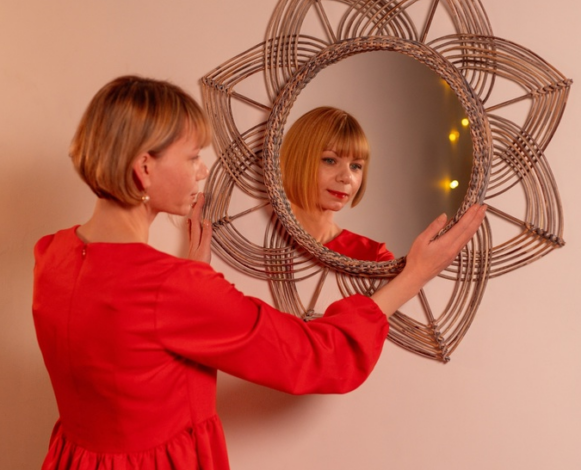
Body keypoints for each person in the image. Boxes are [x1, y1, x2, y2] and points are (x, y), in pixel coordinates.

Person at [32, 76, 486, 470]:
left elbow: (127, 360)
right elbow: (313, 358)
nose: (202, 170)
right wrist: (412, 277)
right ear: (145, 168)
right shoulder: (171, 288)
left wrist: (189, 281)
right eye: (192, 157)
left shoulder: (52, 255)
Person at [280, 106, 392, 261]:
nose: (347, 177)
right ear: (296, 161)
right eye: (330, 160)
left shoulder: (374, 258)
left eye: (355, 166)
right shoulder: (254, 242)